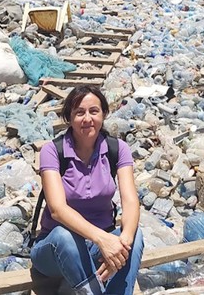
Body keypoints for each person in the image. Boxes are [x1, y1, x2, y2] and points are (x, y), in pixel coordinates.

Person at [31, 85, 144, 294]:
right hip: (55, 250)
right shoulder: (53, 151)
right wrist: (102, 239)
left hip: (98, 247)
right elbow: (57, 209)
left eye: (94, 111)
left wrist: (122, 246)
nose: (87, 119)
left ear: (103, 114)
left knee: (134, 236)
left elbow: (130, 201)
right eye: (79, 112)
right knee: (65, 236)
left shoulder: (117, 149)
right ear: (69, 117)